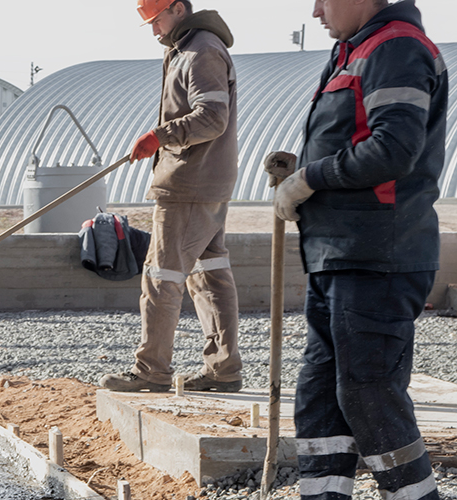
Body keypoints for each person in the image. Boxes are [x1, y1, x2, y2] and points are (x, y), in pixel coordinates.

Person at [270, 0, 446, 498]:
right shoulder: (352, 50)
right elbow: (355, 134)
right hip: (339, 256)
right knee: (321, 394)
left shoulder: (395, 47)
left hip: (378, 257)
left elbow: (394, 148)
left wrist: (309, 178)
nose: (316, 10)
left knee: (369, 392)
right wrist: (301, 165)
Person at [99, 0, 243, 393]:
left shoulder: (200, 51)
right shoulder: (186, 49)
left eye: (157, 19)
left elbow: (213, 117)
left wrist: (160, 136)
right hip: (204, 181)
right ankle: (223, 370)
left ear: (178, 8)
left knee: (161, 275)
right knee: (208, 274)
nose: (154, 29)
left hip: (190, 183)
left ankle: (151, 370)